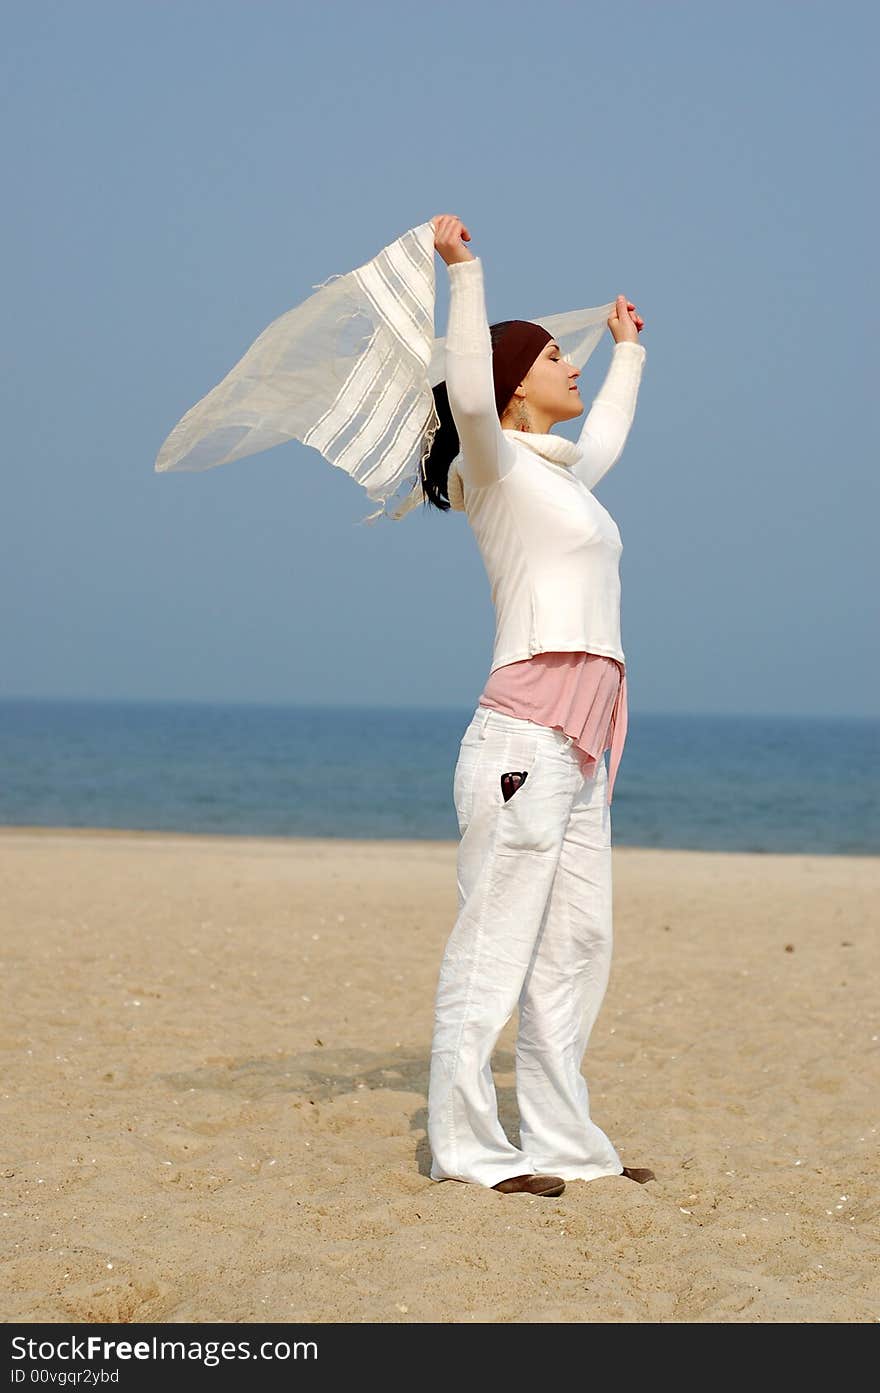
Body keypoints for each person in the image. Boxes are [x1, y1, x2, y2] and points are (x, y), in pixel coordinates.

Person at [424, 214, 655, 1198]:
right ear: (516, 379)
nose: (577, 366)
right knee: (496, 942)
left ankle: (562, 1142)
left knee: (575, 945)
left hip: (587, 742)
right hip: (523, 734)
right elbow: (468, 396)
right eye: (561, 356)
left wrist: (631, 352)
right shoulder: (498, 469)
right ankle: (473, 1152)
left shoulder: (562, 481)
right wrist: (465, 273)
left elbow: (601, 431)